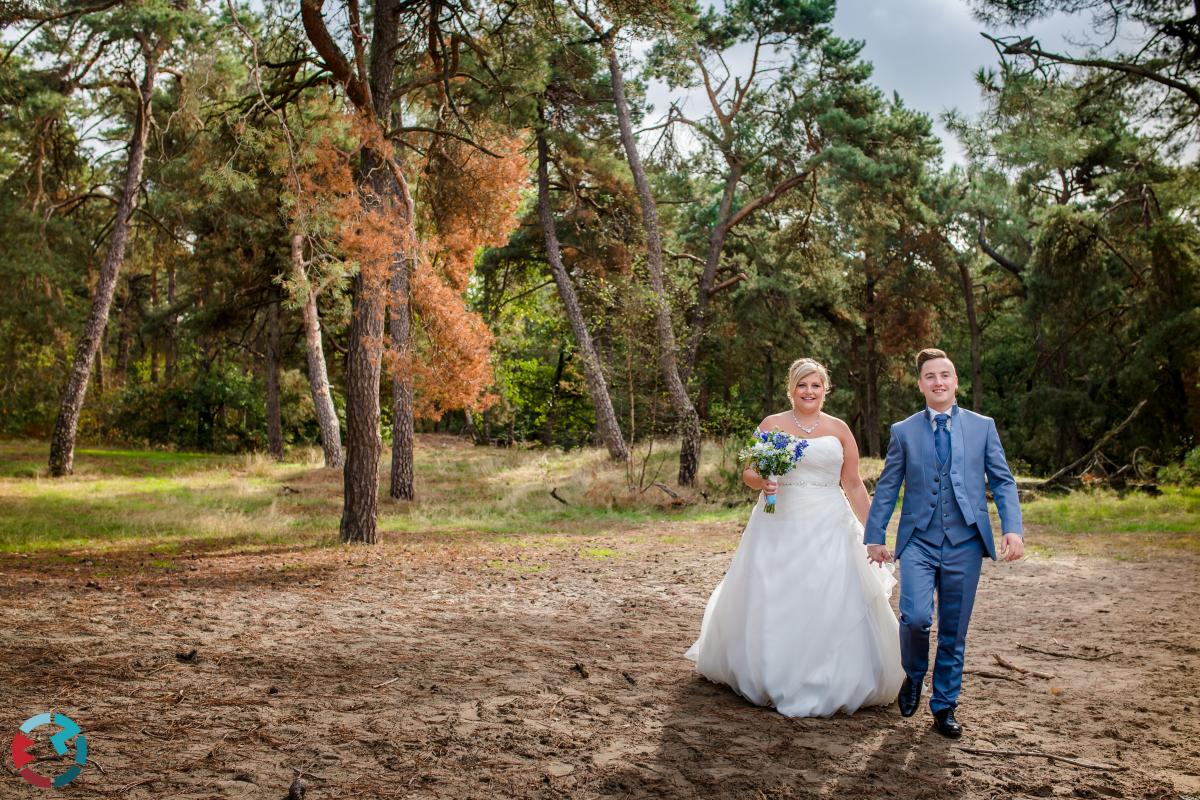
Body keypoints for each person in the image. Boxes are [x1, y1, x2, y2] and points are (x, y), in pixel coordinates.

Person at [685, 358, 905, 717]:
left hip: (829, 522)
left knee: (832, 593)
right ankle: (772, 672)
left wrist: (874, 534)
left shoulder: (839, 429)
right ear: (791, 388)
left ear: (825, 390)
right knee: (775, 593)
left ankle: (832, 675)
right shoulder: (772, 425)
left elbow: (852, 484)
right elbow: (749, 472)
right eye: (802, 385)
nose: (809, 391)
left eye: (815, 385)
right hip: (778, 522)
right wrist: (763, 481)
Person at [864, 348, 1024, 739]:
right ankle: (914, 674)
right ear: (920, 384)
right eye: (930, 376)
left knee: (954, 628)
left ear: (955, 382)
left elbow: (1001, 480)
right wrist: (874, 536)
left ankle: (945, 706)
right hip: (919, 540)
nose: (938, 382)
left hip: (966, 541)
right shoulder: (904, 431)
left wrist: (1012, 528)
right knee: (916, 617)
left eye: (945, 375)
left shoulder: (982, 426)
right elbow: (887, 487)